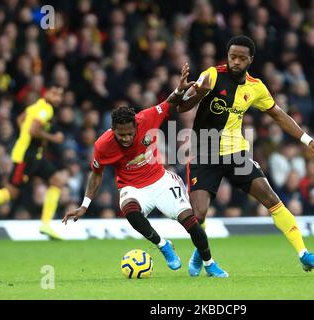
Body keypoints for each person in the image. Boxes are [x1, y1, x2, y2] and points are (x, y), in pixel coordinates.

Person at [177, 35, 314, 274]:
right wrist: (198, 93)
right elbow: (181, 107)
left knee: (272, 199)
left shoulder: (256, 87)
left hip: (237, 155)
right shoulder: (212, 75)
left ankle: (304, 253)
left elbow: (278, 115)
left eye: (241, 58)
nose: (235, 62)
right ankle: (203, 255)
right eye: (232, 57)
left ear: (250, 60)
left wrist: (307, 141)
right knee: (199, 213)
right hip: (203, 154)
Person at [62, 63, 228, 277]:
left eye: (129, 134)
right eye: (120, 135)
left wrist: (180, 89)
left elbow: (169, 103)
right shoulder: (102, 145)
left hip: (160, 181)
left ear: (136, 127)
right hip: (132, 186)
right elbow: (96, 173)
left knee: (192, 223)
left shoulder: (147, 118)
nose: (126, 138)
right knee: (130, 211)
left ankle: (209, 263)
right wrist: (85, 205)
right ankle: (163, 245)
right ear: (113, 130)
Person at [0, 85, 68, 240]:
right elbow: (33, 130)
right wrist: (54, 138)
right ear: (47, 93)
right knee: (10, 193)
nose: (57, 97)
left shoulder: (35, 106)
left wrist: (24, 136)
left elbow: (20, 119)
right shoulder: (46, 109)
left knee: (57, 180)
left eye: (60, 95)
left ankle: (46, 224)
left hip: (34, 155)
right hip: (26, 157)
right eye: (54, 93)